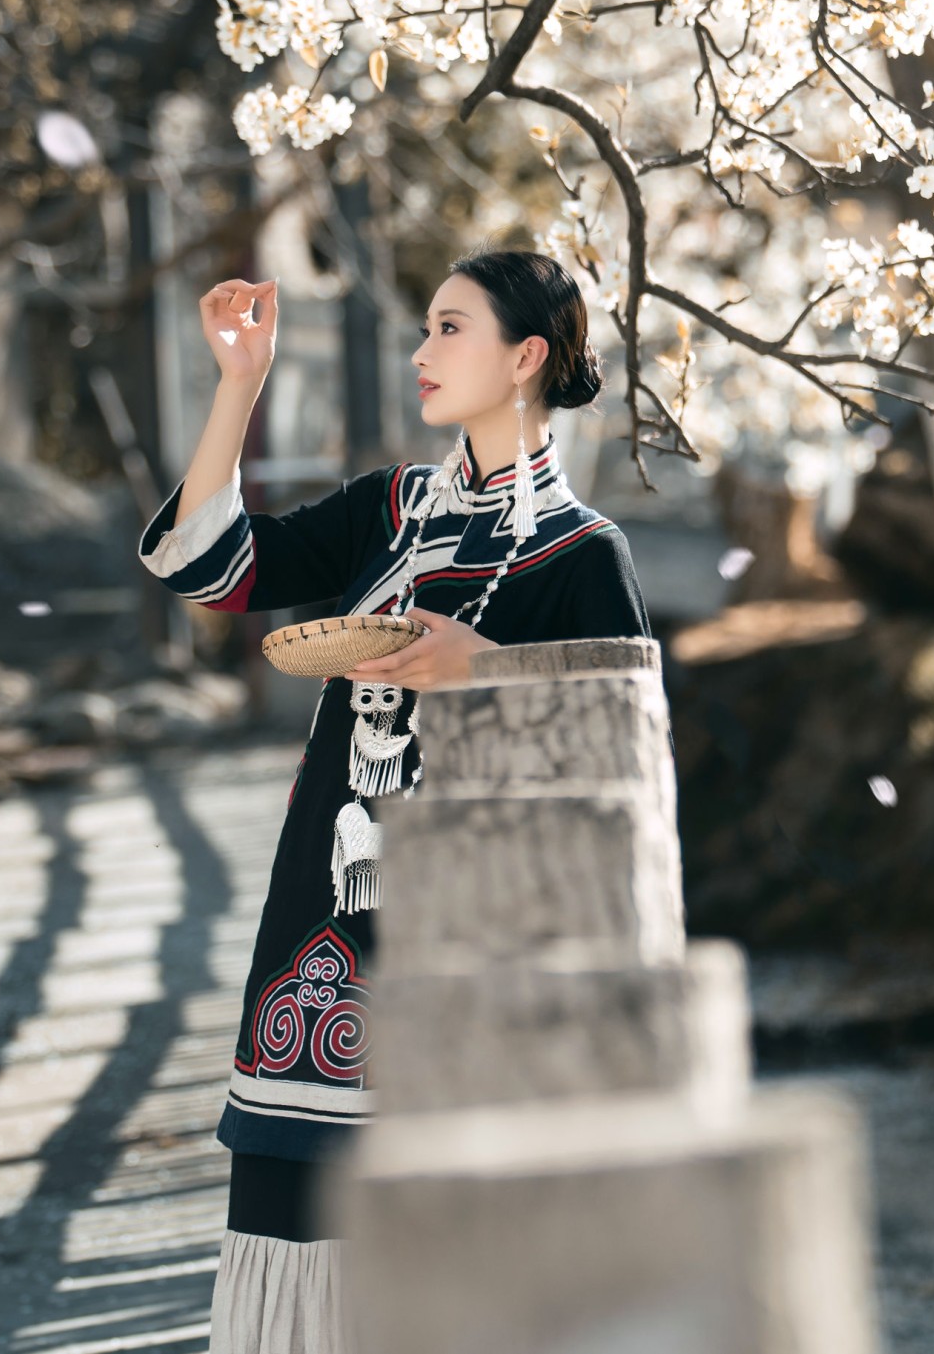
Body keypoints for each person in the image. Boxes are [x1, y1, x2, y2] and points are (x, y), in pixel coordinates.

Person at [139, 249, 649, 1353]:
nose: (421, 352)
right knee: (296, 1246)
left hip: (467, 961)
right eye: (424, 328)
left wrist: (488, 675)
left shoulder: (584, 558)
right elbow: (210, 570)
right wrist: (240, 383)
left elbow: (626, 771)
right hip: (319, 937)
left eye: (449, 330)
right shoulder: (391, 510)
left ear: (524, 358)